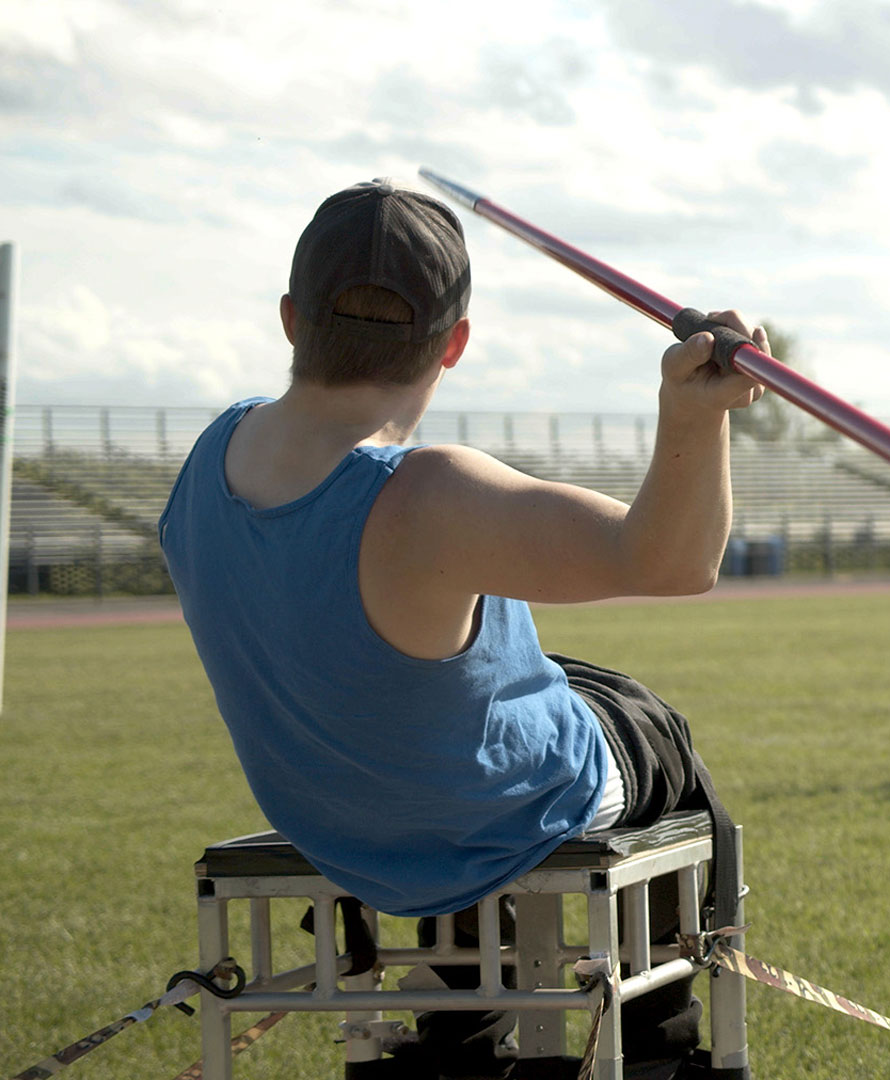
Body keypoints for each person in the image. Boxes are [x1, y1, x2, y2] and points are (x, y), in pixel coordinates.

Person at [159, 179, 768, 1078]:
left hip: (332, 815)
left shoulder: (213, 454)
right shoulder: (424, 495)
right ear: (455, 343)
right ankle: (659, 1045)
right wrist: (695, 413)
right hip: (485, 812)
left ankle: (459, 1035)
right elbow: (672, 562)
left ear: (292, 319)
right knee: (652, 727)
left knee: (507, 693)